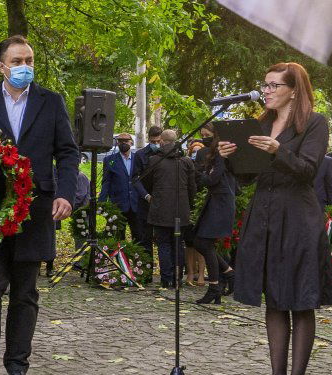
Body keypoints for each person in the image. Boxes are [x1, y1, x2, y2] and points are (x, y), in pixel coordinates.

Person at [0, 35, 79, 375]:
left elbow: (68, 152)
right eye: (16, 61)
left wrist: (65, 193)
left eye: (28, 59)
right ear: (1, 66)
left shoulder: (51, 102)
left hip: (36, 211)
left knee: (25, 293)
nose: (24, 66)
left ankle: (17, 366)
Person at [223, 62, 332, 375]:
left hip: (298, 218)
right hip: (265, 216)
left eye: (274, 85)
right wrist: (230, 159)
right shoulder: (261, 124)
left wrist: (277, 150)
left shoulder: (314, 123)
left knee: (299, 299)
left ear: (294, 90)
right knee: (274, 298)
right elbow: (247, 179)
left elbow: (307, 171)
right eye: (265, 84)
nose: (267, 91)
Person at [140, 129, 197, 288]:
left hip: (160, 210)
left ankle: (167, 279)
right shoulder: (186, 161)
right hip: (181, 210)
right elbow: (193, 188)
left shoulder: (154, 161)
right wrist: (189, 205)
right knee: (178, 244)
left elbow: (147, 183)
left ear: (162, 142)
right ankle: (178, 278)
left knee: (163, 244)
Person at [192, 125, 237, 303]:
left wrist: (198, 174)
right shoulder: (211, 153)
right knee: (200, 241)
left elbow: (212, 179)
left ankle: (215, 285)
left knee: (203, 242)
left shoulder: (222, 153)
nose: (204, 138)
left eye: (207, 135)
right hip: (216, 200)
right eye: (202, 135)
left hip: (222, 202)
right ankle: (227, 274)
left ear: (216, 135)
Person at [98, 132, 151, 258]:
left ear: (131, 142)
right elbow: (106, 182)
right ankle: (121, 263)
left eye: (126, 141)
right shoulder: (110, 160)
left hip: (136, 204)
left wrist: (146, 196)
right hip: (118, 204)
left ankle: (139, 263)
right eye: (120, 141)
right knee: (118, 236)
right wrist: (102, 202)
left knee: (138, 235)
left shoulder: (137, 158)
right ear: (117, 143)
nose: (123, 143)